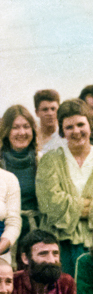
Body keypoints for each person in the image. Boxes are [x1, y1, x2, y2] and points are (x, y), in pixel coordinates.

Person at [36, 99, 93, 275]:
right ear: (62, 131)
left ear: (89, 125)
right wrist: (91, 204)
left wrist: (68, 203)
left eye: (81, 124)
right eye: (69, 127)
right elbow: (49, 203)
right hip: (57, 245)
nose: (76, 131)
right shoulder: (49, 161)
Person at [0, 106, 39, 258]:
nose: (21, 132)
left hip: (34, 229)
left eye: (26, 127)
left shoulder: (41, 161)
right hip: (5, 232)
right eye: (15, 127)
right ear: (6, 131)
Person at [34, 89, 61, 154]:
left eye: (53, 109)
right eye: (45, 109)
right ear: (37, 112)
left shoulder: (66, 134)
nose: (50, 113)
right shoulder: (32, 137)